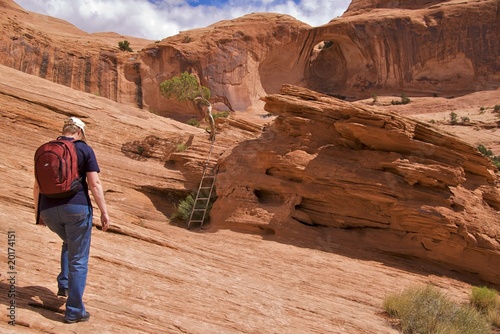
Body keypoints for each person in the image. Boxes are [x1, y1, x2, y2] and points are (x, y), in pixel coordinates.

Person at [33, 117, 110, 324]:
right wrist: (104, 211)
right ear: (80, 133)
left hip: (49, 211)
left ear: (64, 131)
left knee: (69, 242)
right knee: (79, 259)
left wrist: (38, 212)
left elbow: (37, 187)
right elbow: (94, 183)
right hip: (76, 209)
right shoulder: (84, 149)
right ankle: (74, 310)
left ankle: (64, 284)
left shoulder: (46, 149)